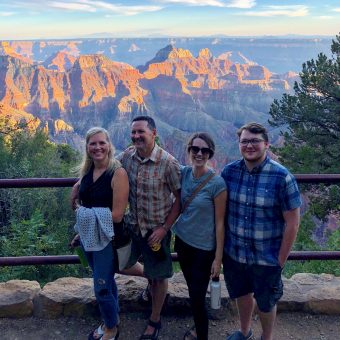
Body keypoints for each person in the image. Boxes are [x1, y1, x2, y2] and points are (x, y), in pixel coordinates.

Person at [221, 122, 301, 340]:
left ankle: (266, 337)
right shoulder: (229, 173)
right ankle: (245, 332)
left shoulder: (282, 177)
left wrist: (280, 260)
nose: (249, 146)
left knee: (266, 302)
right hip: (235, 253)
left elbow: (293, 222)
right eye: (244, 141)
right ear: (238, 144)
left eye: (255, 141)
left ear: (266, 144)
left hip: (267, 257)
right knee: (242, 294)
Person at [117, 115, 181, 340]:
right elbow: (106, 170)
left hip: (156, 232)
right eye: (133, 132)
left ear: (154, 134)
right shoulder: (126, 156)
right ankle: (150, 278)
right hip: (133, 227)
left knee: (160, 277)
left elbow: (180, 198)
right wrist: (78, 185)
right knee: (120, 263)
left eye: (141, 132)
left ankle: (155, 319)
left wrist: (165, 228)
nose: (136, 136)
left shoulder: (168, 163)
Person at [71, 127, 129, 340]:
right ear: (87, 147)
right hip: (89, 237)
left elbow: (117, 216)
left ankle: (112, 329)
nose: (97, 147)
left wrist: (82, 212)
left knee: (101, 286)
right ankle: (112, 319)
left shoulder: (118, 173)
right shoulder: (86, 172)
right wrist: (80, 231)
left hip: (107, 240)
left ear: (109, 145)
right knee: (107, 281)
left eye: (102, 143)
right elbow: (86, 199)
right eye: (93, 144)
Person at [172, 132, 227, 340]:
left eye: (204, 150)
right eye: (195, 149)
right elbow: (162, 168)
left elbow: (220, 223)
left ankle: (202, 334)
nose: (199, 153)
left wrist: (218, 258)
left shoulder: (217, 184)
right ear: (189, 151)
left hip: (204, 250)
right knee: (193, 290)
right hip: (183, 243)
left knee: (196, 296)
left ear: (210, 153)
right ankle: (198, 329)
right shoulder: (184, 173)